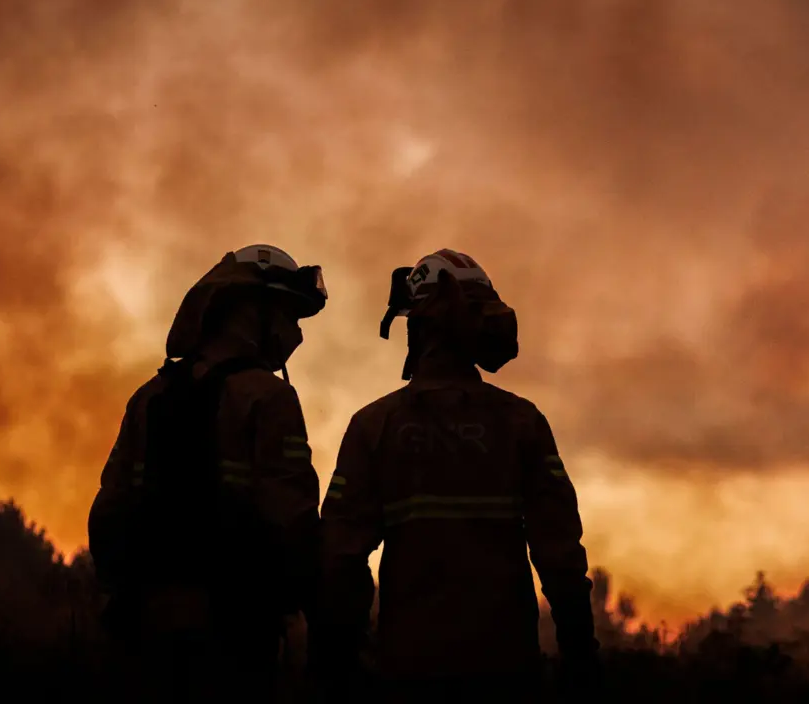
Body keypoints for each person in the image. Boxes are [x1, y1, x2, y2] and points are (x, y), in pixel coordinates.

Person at [316, 248, 601, 702]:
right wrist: (581, 656)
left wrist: (335, 662)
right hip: (506, 668)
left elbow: (339, 558)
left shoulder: (374, 425)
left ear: (417, 323)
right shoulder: (521, 421)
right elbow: (560, 554)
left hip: (407, 668)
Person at [87, 244, 328, 703]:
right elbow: (292, 521)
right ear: (247, 312)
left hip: (144, 626)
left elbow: (108, 510)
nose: (294, 332)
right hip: (236, 631)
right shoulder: (268, 398)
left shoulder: (149, 396)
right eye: (287, 314)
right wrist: (314, 614)